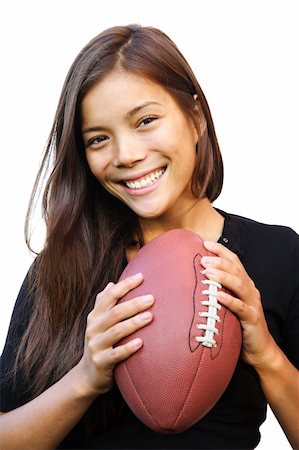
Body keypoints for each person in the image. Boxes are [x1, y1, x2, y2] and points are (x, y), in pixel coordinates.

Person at [0, 24, 298, 450]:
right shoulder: (61, 267)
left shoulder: (279, 256)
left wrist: (266, 354)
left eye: (146, 121)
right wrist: (86, 377)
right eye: (98, 138)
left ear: (194, 117)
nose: (127, 155)